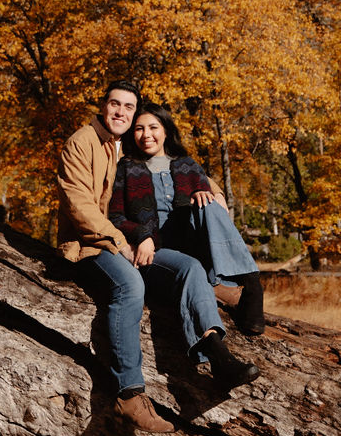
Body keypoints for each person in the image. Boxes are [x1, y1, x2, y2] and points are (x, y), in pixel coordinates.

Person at [57, 82, 256, 436]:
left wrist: (216, 194)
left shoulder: (130, 147)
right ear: (103, 107)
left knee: (190, 267)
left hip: (132, 241)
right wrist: (125, 242)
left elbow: (180, 168)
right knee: (131, 285)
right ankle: (129, 394)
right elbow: (79, 207)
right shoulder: (82, 142)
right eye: (114, 104)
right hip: (92, 245)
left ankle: (217, 350)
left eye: (128, 107)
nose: (121, 112)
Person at [108, 102, 265, 337]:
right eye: (139, 129)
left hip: (194, 243)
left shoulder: (187, 165)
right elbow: (116, 216)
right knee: (189, 264)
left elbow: (209, 206)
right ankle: (217, 324)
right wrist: (141, 235)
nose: (146, 135)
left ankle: (252, 283)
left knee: (209, 203)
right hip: (160, 250)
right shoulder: (128, 168)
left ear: (166, 131)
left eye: (153, 127)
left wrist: (203, 193)